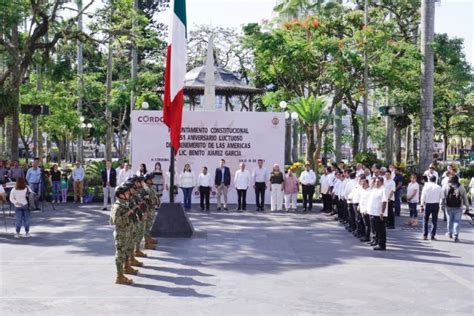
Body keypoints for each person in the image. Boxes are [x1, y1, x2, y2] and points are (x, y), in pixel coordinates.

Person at [109, 184, 134, 285]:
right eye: (126, 193)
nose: (128, 194)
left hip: (126, 232)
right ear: (121, 195)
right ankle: (119, 276)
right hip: (121, 234)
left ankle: (125, 269)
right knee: (120, 255)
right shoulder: (117, 206)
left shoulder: (124, 204)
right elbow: (115, 221)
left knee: (125, 252)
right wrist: (127, 214)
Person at [442, 175, 470, 242]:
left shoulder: (446, 186)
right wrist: (467, 207)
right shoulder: (461, 187)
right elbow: (465, 198)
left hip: (448, 206)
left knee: (449, 221)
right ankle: (456, 235)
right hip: (458, 207)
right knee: (457, 221)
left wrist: (441, 205)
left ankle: (449, 233)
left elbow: (443, 197)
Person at [367, 177, 388, 250]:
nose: (376, 183)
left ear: (382, 182)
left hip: (379, 213)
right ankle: (376, 241)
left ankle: (381, 245)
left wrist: (382, 212)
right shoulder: (374, 189)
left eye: (378, 182)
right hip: (373, 212)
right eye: (375, 181)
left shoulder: (383, 190)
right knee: (375, 229)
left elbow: (384, 201)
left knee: (380, 230)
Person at [420, 175, 442, 241]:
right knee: (434, 221)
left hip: (428, 204)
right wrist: (441, 206)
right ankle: (432, 235)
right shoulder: (439, 187)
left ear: (429, 180)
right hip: (436, 204)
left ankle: (425, 235)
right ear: (435, 180)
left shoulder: (426, 187)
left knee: (425, 220)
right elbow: (442, 198)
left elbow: (422, 197)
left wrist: (421, 205)